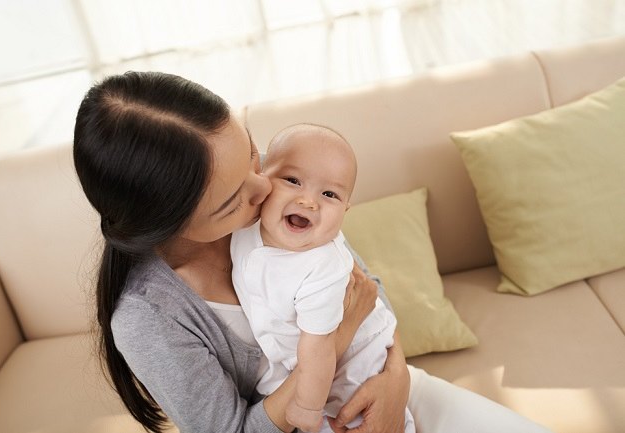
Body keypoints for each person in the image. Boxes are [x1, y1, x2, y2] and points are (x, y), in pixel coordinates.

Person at [73, 70, 553, 433]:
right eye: (231, 199)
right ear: (167, 223)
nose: (266, 189)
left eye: (253, 157)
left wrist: (395, 380)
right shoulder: (148, 317)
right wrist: (335, 339)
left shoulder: (287, 194)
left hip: (383, 383)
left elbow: (365, 292)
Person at [230, 123, 414, 433]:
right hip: (302, 371)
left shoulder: (322, 266)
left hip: (354, 373)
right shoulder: (244, 227)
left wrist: (306, 407)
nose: (309, 201)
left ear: (345, 210)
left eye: (329, 194)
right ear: (262, 180)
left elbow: (320, 349)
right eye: (293, 180)